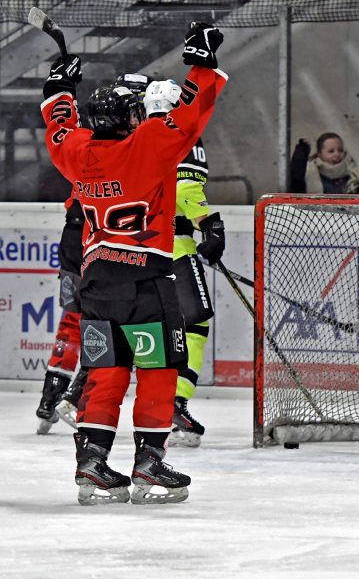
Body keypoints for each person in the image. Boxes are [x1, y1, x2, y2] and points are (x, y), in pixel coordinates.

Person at [40, 22, 227, 505]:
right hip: (147, 281)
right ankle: (148, 464)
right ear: (129, 121)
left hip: (97, 282)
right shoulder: (147, 147)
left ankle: (92, 466)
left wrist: (60, 87)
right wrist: (201, 62)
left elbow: (60, 127)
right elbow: (189, 114)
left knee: (106, 372)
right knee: (161, 368)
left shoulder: (78, 154)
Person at [143, 77, 225, 447]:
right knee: (195, 320)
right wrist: (209, 225)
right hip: (173, 246)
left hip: (132, 249)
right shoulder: (182, 134)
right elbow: (188, 188)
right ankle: (173, 404)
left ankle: (79, 393)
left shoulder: (136, 133)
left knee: (135, 330)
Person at [34, 194, 87, 434]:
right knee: (103, 322)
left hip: (72, 235)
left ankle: (49, 400)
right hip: (98, 235)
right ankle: (74, 399)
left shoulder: (81, 158)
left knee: (71, 322)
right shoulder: (120, 159)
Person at [289, 132, 359, 194]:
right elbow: (295, 183)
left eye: (340, 150)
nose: (337, 154)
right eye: (331, 151)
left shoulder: (356, 172)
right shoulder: (308, 172)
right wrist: (301, 153)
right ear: (320, 154)